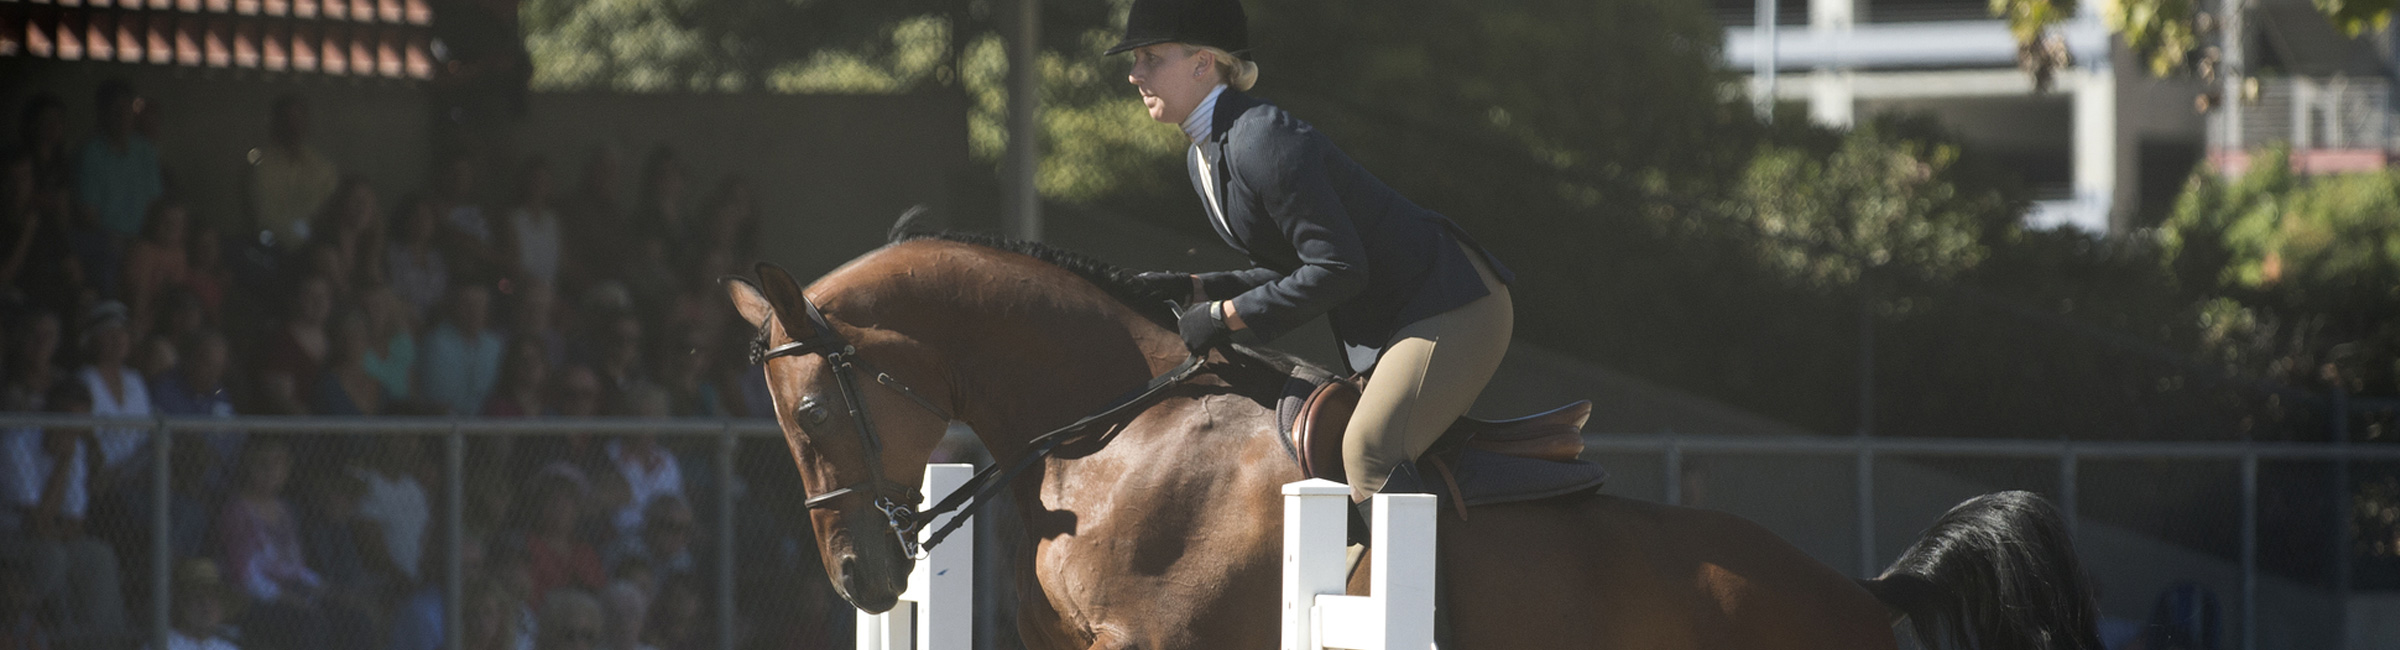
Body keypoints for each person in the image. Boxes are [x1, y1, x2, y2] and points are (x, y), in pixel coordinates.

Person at [1112, 0, 1516, 506]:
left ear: (1202, 62)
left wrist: (1223, 315)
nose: (1134, 74)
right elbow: (1292, 269)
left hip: (1453, 304)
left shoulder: (1261, 139)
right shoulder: (1205, 154)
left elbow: (1338, 270)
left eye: (1150, 56)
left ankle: (1430, 589)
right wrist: (1196, 288)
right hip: (1402, 314)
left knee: (1370, 453)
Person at [0, 382, 128, 641]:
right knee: (53, 557)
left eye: (80, 423)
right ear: (50, 414)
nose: (73, 430)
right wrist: (62, 463)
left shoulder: (75, 446)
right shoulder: (18, 442)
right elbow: (35, 521)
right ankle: (52, 635)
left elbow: (75, 521)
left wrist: (54, 532)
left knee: (99, 555)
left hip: (49, 534)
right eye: (67, 420)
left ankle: (103, 641)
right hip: (10, 534)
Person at [73, 80, 164, 241]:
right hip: (104, 242)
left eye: (127, 108)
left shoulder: (145, 151)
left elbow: (155, 204)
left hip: (142, 242)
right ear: (103, 113)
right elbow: (88, 213)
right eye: (115, 110)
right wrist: (112, 241)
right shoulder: (90, 153)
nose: (122, 116)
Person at [247, 94, 340, 252]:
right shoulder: (259, 167)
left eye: (298, 120)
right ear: (275, 123)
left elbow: (329, 214)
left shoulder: (323, 169)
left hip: (312, 252)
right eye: (287, 120)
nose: (293, 127)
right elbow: (262, 215)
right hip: (268, 250)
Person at [420, 284, 505, 416]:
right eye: (467, 304)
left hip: (489, 425)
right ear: (455, 306)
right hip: (446, 425)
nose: (474, 311)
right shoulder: (437, 342)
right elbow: (437, 398)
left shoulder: (495, 345)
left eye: (480, 305)